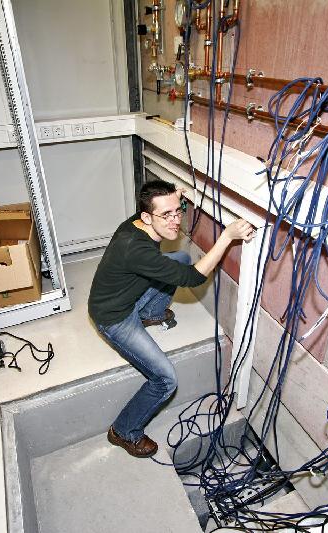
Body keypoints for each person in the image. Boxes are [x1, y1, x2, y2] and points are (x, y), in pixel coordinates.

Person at [88, 179, 255, 458]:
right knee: (165, 380)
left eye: (178, 211)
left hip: (127, 296)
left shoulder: (137, 223)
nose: (175, 221)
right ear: (146, 217)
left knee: (178, 257)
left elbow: (162, 214)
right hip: (114, 317)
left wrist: (172, 199)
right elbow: (193, 279)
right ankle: (123, 431)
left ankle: (150, 314)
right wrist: (227, 236)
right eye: (166, 215)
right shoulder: (135, 248)